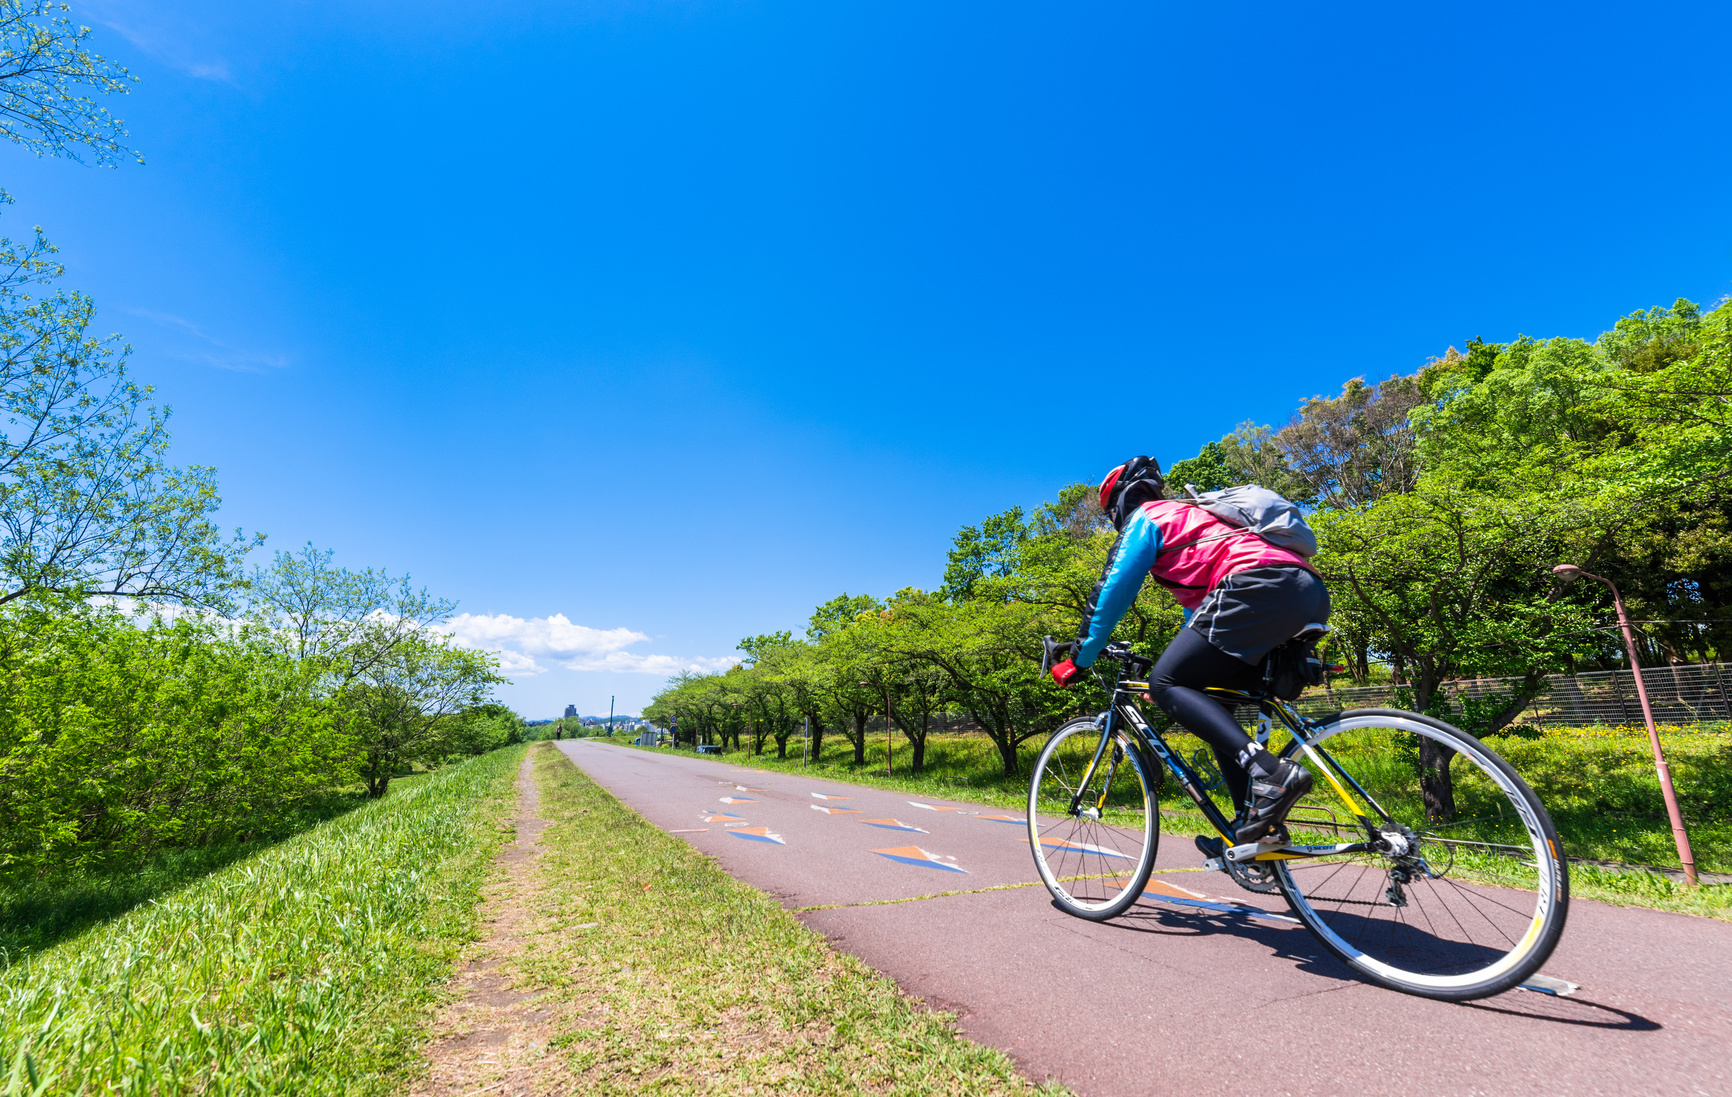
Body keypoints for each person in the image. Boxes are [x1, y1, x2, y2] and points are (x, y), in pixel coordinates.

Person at [1047, 456, 1330, 846]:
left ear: (1120, 505)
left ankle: (1272, 774)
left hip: (1256, 583)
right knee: (1210, 700)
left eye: (1111, 512)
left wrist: (1080, 657)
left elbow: (1111, 590)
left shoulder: (1149, 517)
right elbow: (1198, 622)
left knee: (1166, 683)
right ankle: (1251, 830)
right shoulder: (1199, 524)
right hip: (1305, 590)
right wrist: (1180, 678)